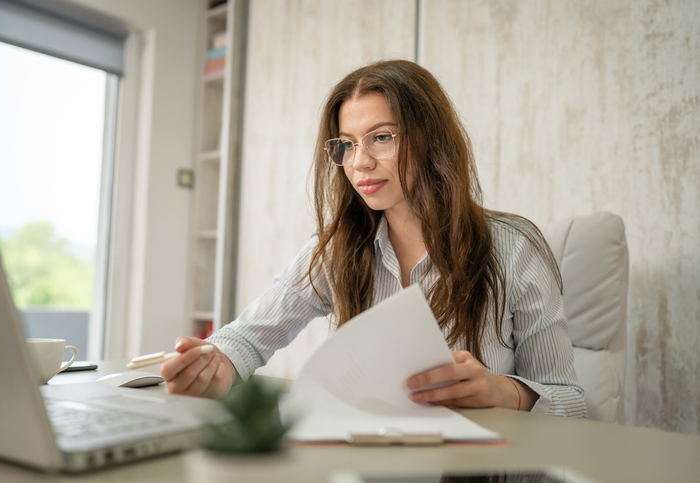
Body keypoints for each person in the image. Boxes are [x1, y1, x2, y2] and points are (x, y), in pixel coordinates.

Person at [160, 60, 587, 417]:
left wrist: (503, 393)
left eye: (381, 138)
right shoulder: (338, 249)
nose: (359, 162)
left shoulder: (513, 249)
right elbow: (248, 337)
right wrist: (215, 363)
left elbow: (572, 401)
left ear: (430, 139)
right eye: (346, 144)